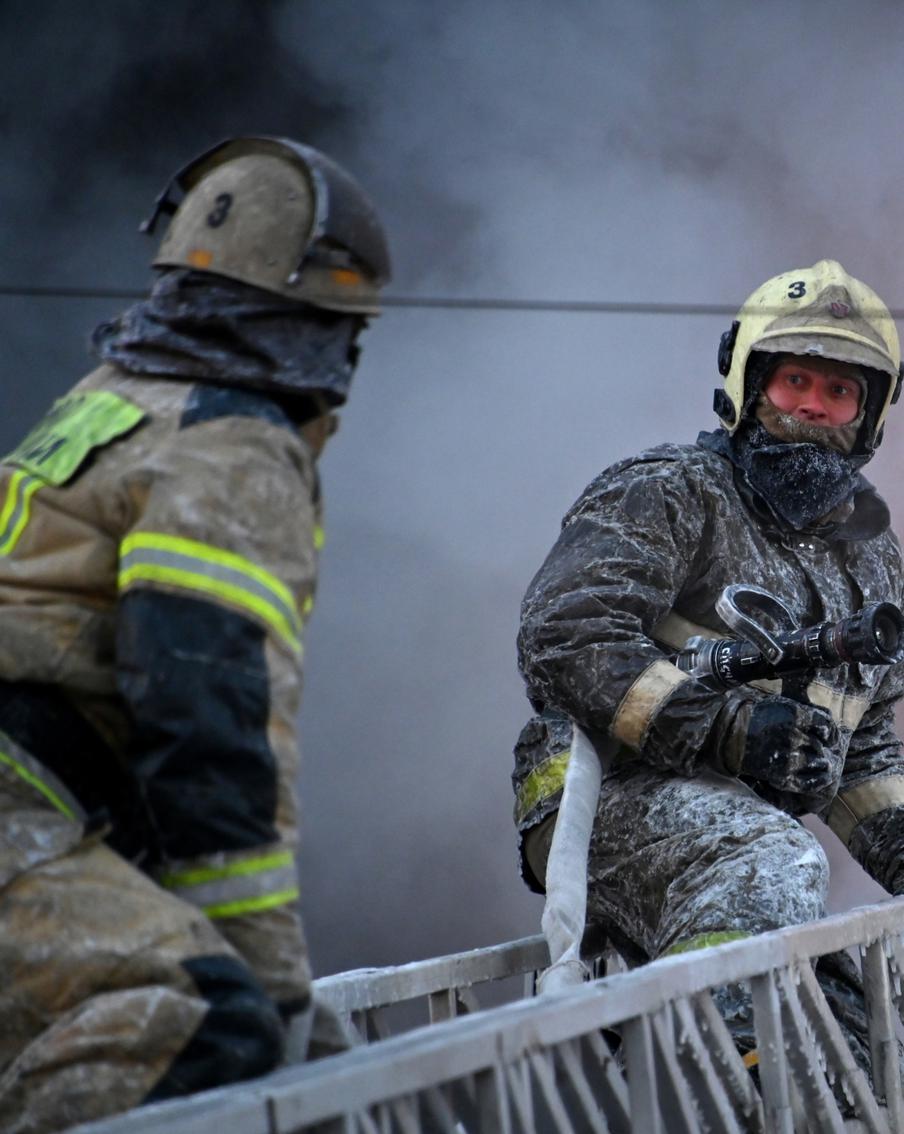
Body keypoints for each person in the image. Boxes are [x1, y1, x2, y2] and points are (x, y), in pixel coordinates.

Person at [0, 135, 390, 1132]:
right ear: (329, 327)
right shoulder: (232, 449)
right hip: (18, 806)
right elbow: (206, 718)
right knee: (206, 1030)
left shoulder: (107, 400)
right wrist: (269, 980)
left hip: (42, 812)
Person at [513, 259, 904, 1063]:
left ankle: (750, 1083)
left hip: (743, 841)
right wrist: (727, 728)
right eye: (795, 381)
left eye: (840, 391)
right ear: (748, 384)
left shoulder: (874, 561)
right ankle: (697, 1073)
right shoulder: (670, 491)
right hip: (605, 799)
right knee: (771, 863)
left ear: (870, 415)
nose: (813, 406)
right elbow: (566, 635)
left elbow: (859, 744)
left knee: (862, 1036)